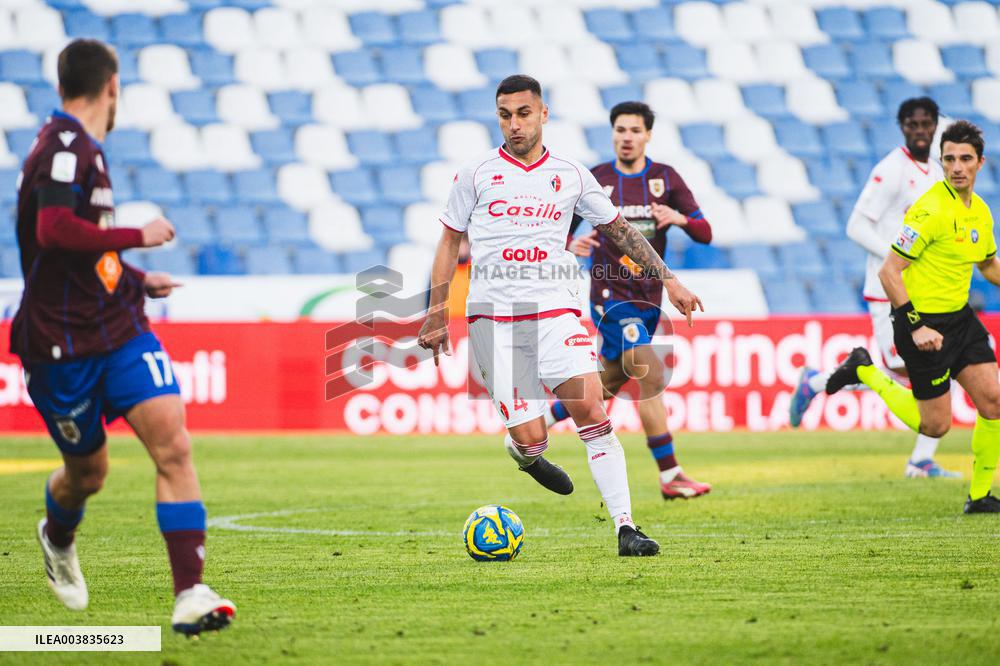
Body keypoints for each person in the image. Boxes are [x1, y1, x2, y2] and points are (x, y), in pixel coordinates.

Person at [417, 75, 704, 555]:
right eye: (505, 115)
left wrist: (669, 278)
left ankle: (626, 528)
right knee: (532, 440)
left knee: (592, 408)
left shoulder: (571, 173)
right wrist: (435, 312)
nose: (515, 125)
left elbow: (619, 229)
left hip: (556, 310)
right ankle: (524, 454)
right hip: (495, 320)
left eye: (524, 114)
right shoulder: (476, 173)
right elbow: (449, 241)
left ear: (543, 114)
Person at [9, 39, 234, 633]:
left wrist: (134, 281)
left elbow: (80, 256)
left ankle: (191, 593)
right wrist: (137, 234)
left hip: (117, 329)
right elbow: (54, 231)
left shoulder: (87, 152)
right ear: (111, 87)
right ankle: (57, 535)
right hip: (59, 345)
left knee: (174, 446)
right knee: (89, 474)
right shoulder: (62, 147)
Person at [823, 120, 1000, 514]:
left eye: (964, 159)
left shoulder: (981, 213)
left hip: (960, 319)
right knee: (935, 426)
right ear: (942, 162)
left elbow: (987, 265)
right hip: (920, 322)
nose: (956, 167)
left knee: (993, 402)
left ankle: (980, 495)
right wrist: (916, 325)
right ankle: (864, 370)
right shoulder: (928, 211)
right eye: (949, 159)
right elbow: (889, 272)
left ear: (979, 164)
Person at [544, 101, 713, 499]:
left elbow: (705, 232)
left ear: (648, 135)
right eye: (620, 130)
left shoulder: (665, 179)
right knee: (650, 374)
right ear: (613, 133)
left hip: (648, 297)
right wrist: (573, 242)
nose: (626, 137)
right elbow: (556, 228)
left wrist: (680, 219)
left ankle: (545, 416)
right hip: (608, 293)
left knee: (611, 379)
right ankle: (671, 475)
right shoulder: (596, 178)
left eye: (635, 130)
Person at [790, 98, 960, 479]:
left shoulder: (936, 170)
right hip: (887, 288)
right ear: (902, 127)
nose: (920, 131)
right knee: (905, 370)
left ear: (935, 128)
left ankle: (920, 459)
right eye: (913, 125)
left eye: (926, 124)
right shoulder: (891, 170)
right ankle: (819, 381)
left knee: (935, 367)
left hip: (920, 289)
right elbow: (855, 226)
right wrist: (898, 257)